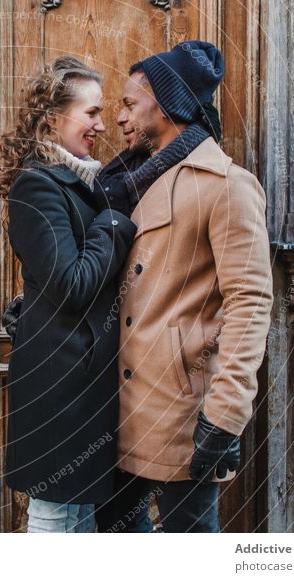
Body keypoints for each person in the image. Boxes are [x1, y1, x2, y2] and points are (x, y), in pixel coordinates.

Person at [92, 41, 273, 533]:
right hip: (113, 404)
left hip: (181, 412)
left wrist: (227, 413)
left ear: (167, 103)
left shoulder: (226, 185)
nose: (121, 118)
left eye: (130, 103)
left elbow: (250, 301)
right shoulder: (132, 179)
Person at [0, 56, 137, 533]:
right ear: (52, 118)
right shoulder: (38, 186)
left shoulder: (79, 182)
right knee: (55, 515)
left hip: (83, 381)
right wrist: (114, 223)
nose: (102, 124)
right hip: (59, 385)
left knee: (79, 516)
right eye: (91, 113)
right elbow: (72, 285)